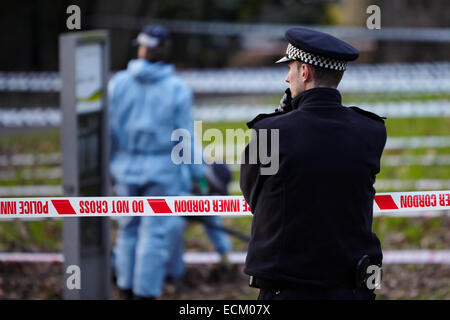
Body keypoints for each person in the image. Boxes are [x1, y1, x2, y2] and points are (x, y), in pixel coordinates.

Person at [240, 27, 387, 300]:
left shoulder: (269, 133)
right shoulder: (372, 130)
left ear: (305, 72)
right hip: (352, 287)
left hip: (289, 288)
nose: (286, 77)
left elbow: (252, 196)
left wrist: (282, 116)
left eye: (290, 68)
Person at [108, 25, 203, 299]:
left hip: (125, 168)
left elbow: (110, 133)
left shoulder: (118, 84)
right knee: (154, 235)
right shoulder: (176, 90)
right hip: (162, 171)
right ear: (165, 51)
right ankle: (145, 292)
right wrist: (200, 174)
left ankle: (125, 286)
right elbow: (185, 138)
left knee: (128, 230)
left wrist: (108, 168)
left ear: (141, 47)